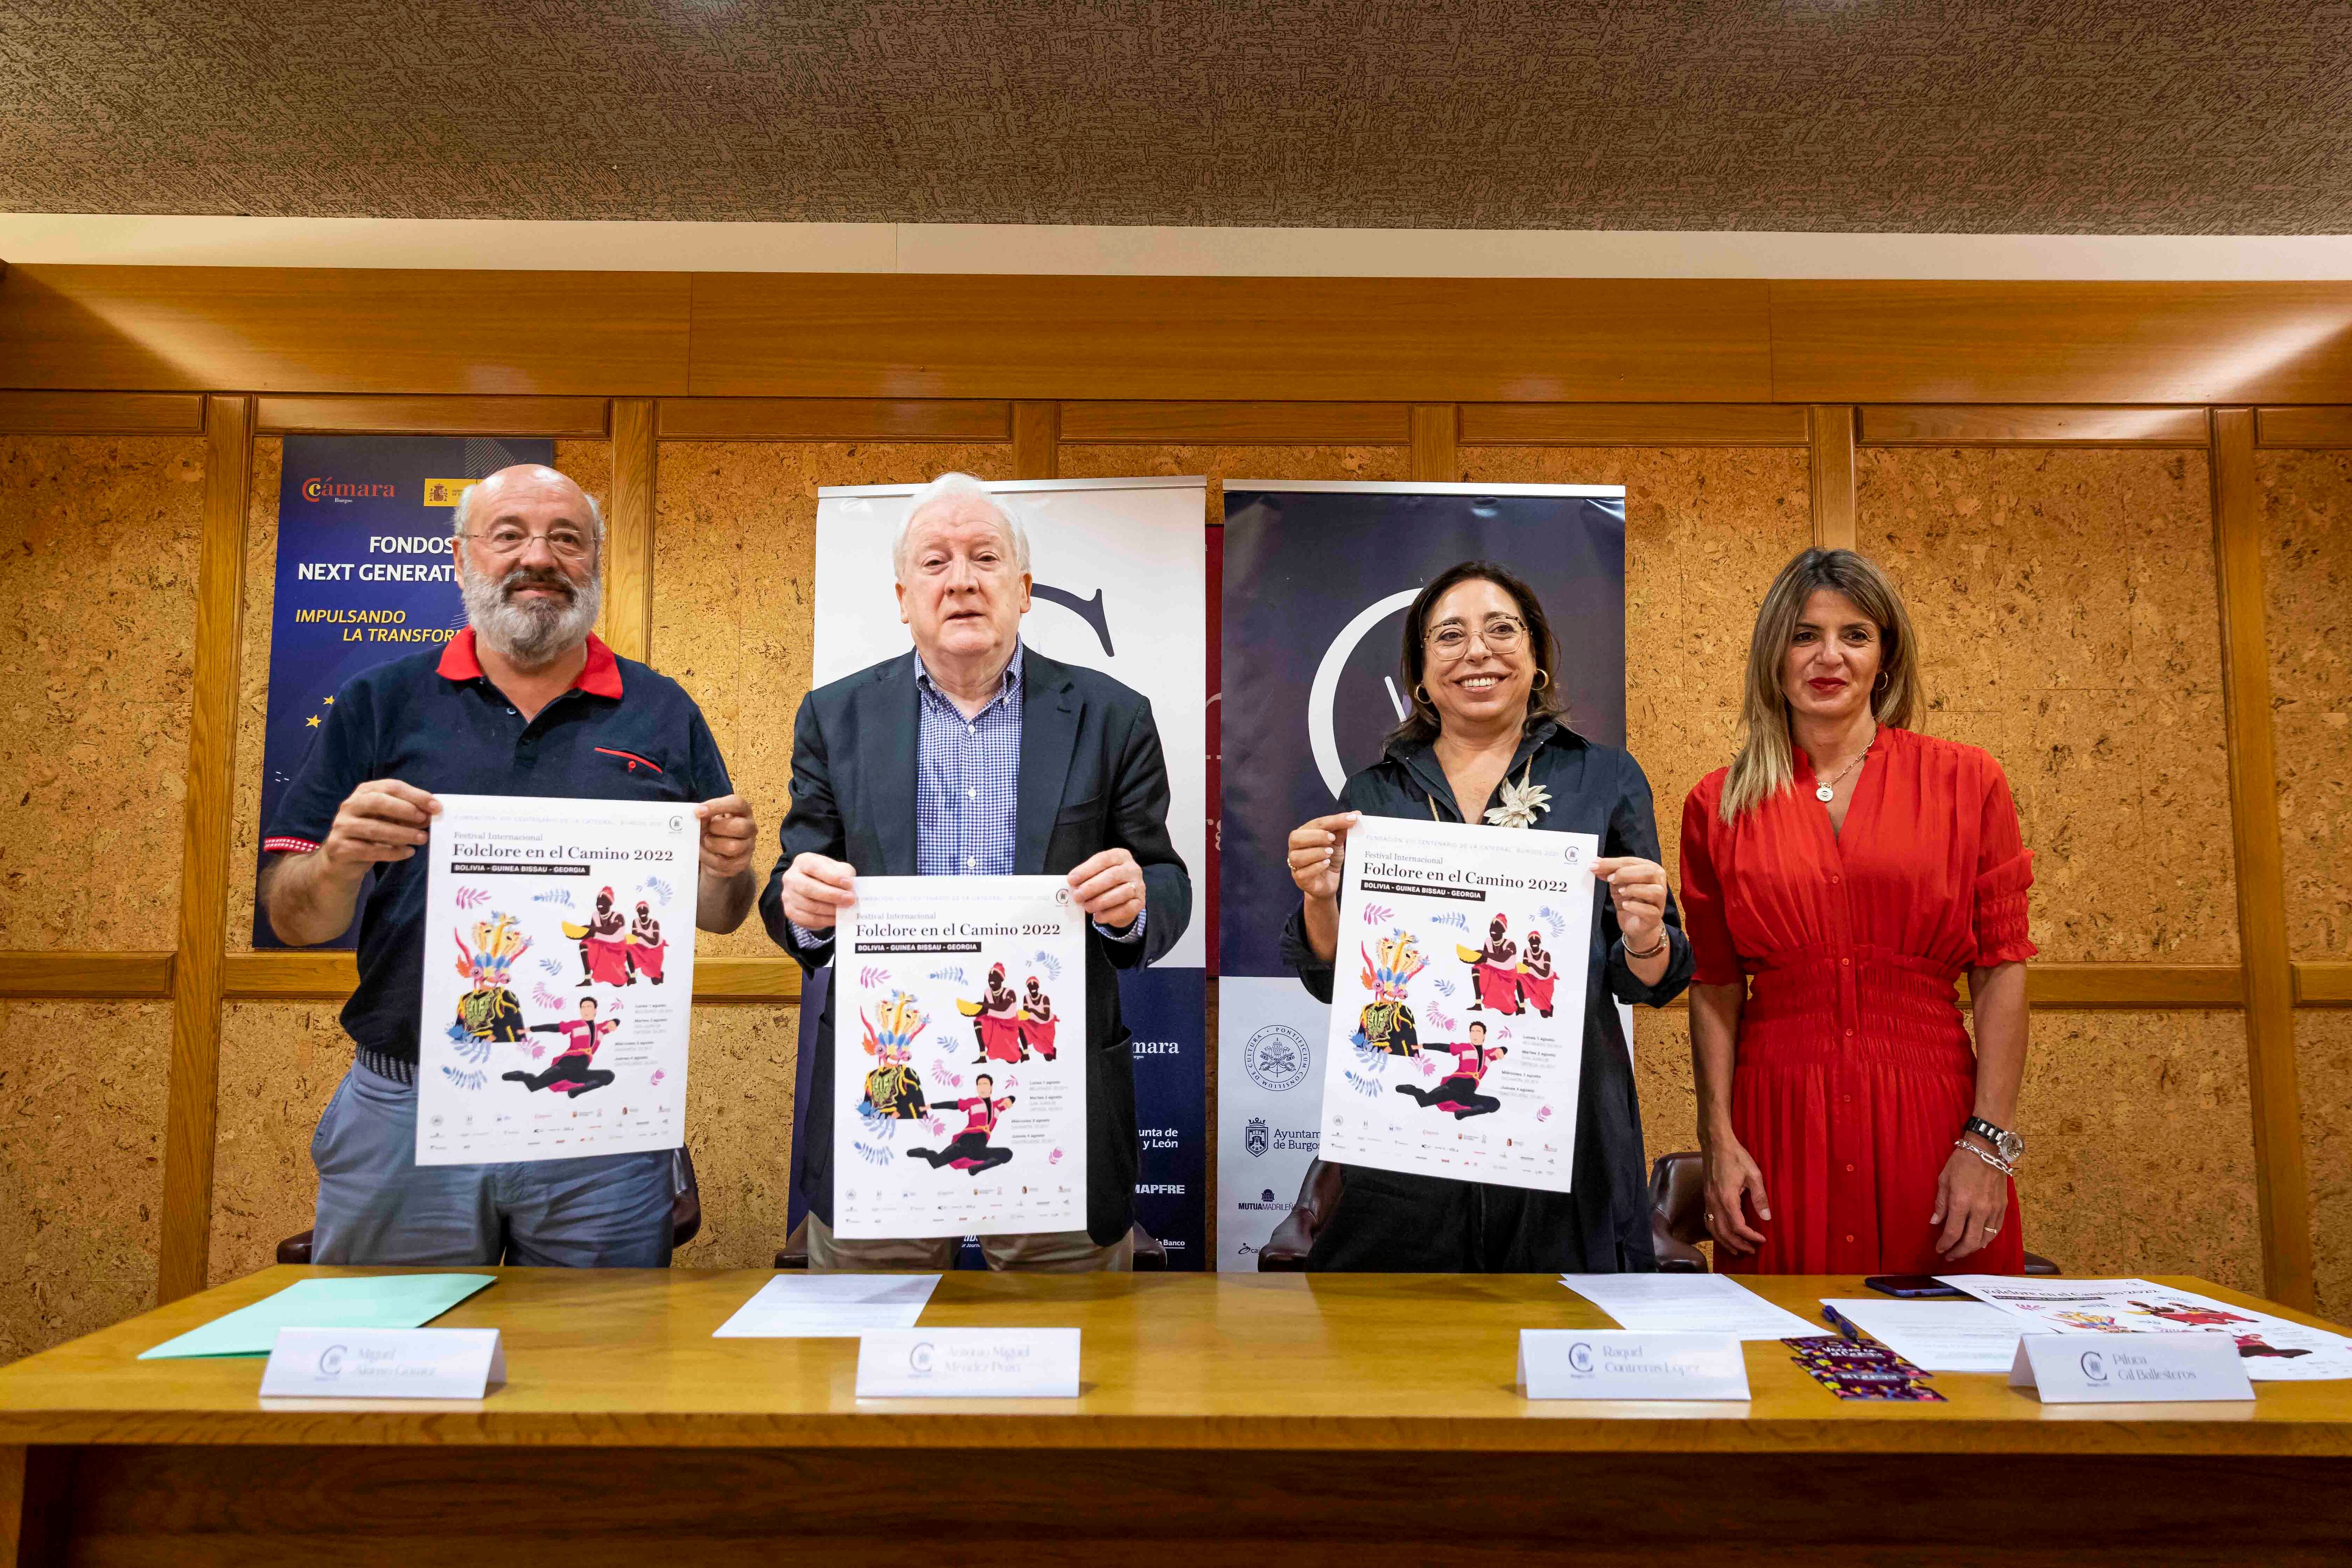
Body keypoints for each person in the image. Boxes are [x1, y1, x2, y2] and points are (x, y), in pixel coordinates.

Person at [262, 463, 759, 1267]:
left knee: (591, 1374)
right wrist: (337, 864)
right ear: (462, 559)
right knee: (386, 1366)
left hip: (597, 1111)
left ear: (594, 561)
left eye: (567, 538)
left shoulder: (662, 709)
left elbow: (720, 909)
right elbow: (294, 917)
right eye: (509, 535)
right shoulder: (379, 700)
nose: (540, 556)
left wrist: (730, 866)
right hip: (409, 1099)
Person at [764, 471, 1192, 1272]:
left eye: (984, 557)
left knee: (1072, 1365)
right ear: (902, 596)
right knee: (861, 1369)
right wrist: (798, 904)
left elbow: (1165, 882)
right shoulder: (836, 716)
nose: (960, 578)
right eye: (935, 561)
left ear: (1023, 588)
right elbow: (793, 877)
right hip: (885, 1099)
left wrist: (1134, 903)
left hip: (1055, 1105)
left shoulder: (1112, 714)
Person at [1283, 559, 1693, 1272]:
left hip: (1564, 1138)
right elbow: (1333, 978)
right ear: (1419, 673)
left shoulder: (1603, 777)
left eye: (1502, 630)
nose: (1478, 651)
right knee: (1410, 1355)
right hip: (1407, 1153)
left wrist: (1646, 934)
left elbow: (1654, 982)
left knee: (1566, 1343)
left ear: (1535, 659)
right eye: (1450, 636)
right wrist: (1321, 898)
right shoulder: (1374, 793)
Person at [1678, 548, 2034, 1276]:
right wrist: (1718, 1139)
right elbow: (1714, 983)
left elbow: (2001, 969)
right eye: (1805, 635)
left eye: (1855, 635)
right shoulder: (1717, 805)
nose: (1828, 656)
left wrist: (1988, 1143)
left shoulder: (1968, 781)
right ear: (1773, 656)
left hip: (1933, 1121)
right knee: (1780, 1364)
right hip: (1778, 1123)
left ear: (1885, 656)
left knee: (1957, 1368)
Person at [507, 997, 619, 1098]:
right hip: (565, 1065)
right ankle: (522, 1076)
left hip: (580, 1072)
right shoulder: (576, 1024)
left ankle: (577, 1091)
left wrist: (614, 1022)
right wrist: (528, 1029)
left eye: (589, 1007)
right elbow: (553, 1027)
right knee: (533, 1086)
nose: (585, 1010)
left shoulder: (601, 1030)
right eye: (583, 1007)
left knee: (608, 1076)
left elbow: (613, 1023)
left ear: (595, 1010)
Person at [906, 1075, 1018, 1175]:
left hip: (979, 1149)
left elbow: (1011, 1098)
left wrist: (1010, 1099)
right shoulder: (972, 1102)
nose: (982, 1087)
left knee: (1007, 1154)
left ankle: (976, 1168)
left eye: (985, 1084)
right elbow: (954, 1105)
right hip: (964, 1143)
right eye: (979, 1085)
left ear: (991, 1088)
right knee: (936, 1163)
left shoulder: (998, 1106)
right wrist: (931, 1106)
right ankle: (925, 1153)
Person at [1395, 1020, 1506, 1119]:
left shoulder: (1488, 1055)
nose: (1474, 1034)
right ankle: (1414, 1090)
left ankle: (1463, 1113)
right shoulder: (1464, 1047)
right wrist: (1422, 1046)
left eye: (1478, 1031)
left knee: (1495, 1104)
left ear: (1484, 1035)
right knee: (1424, 1101)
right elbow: (1444, 1048)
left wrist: (1502, 1050)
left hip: (1467, 1094)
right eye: (1472, 1031)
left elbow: (1501, 1050)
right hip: (1454, 1086)